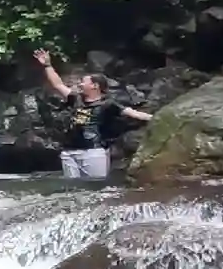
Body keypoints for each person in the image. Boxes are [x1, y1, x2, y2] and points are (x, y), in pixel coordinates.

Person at [32, 48, 152, 179]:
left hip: (93, 151)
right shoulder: (76, 99)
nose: (80, 84)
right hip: (69, 152)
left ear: (95, 86)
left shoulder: (108, 103)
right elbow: (58, 85)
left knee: (95, 184)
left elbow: (134, 113)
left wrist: (157, 118)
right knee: (71, 188)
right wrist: (47, 65)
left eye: (83, 82)